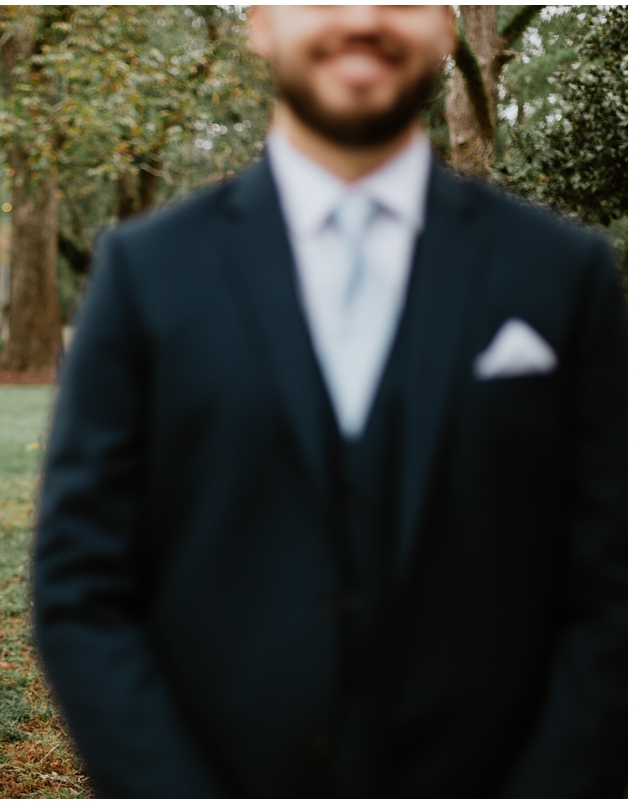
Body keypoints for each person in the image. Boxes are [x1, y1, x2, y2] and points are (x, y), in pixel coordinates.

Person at [33, 5, 626, 798]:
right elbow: (81, 588)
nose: (361, 17)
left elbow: (611, 588)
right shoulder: (146, 276)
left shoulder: (565, 274)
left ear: (449, 27)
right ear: (259, 22)